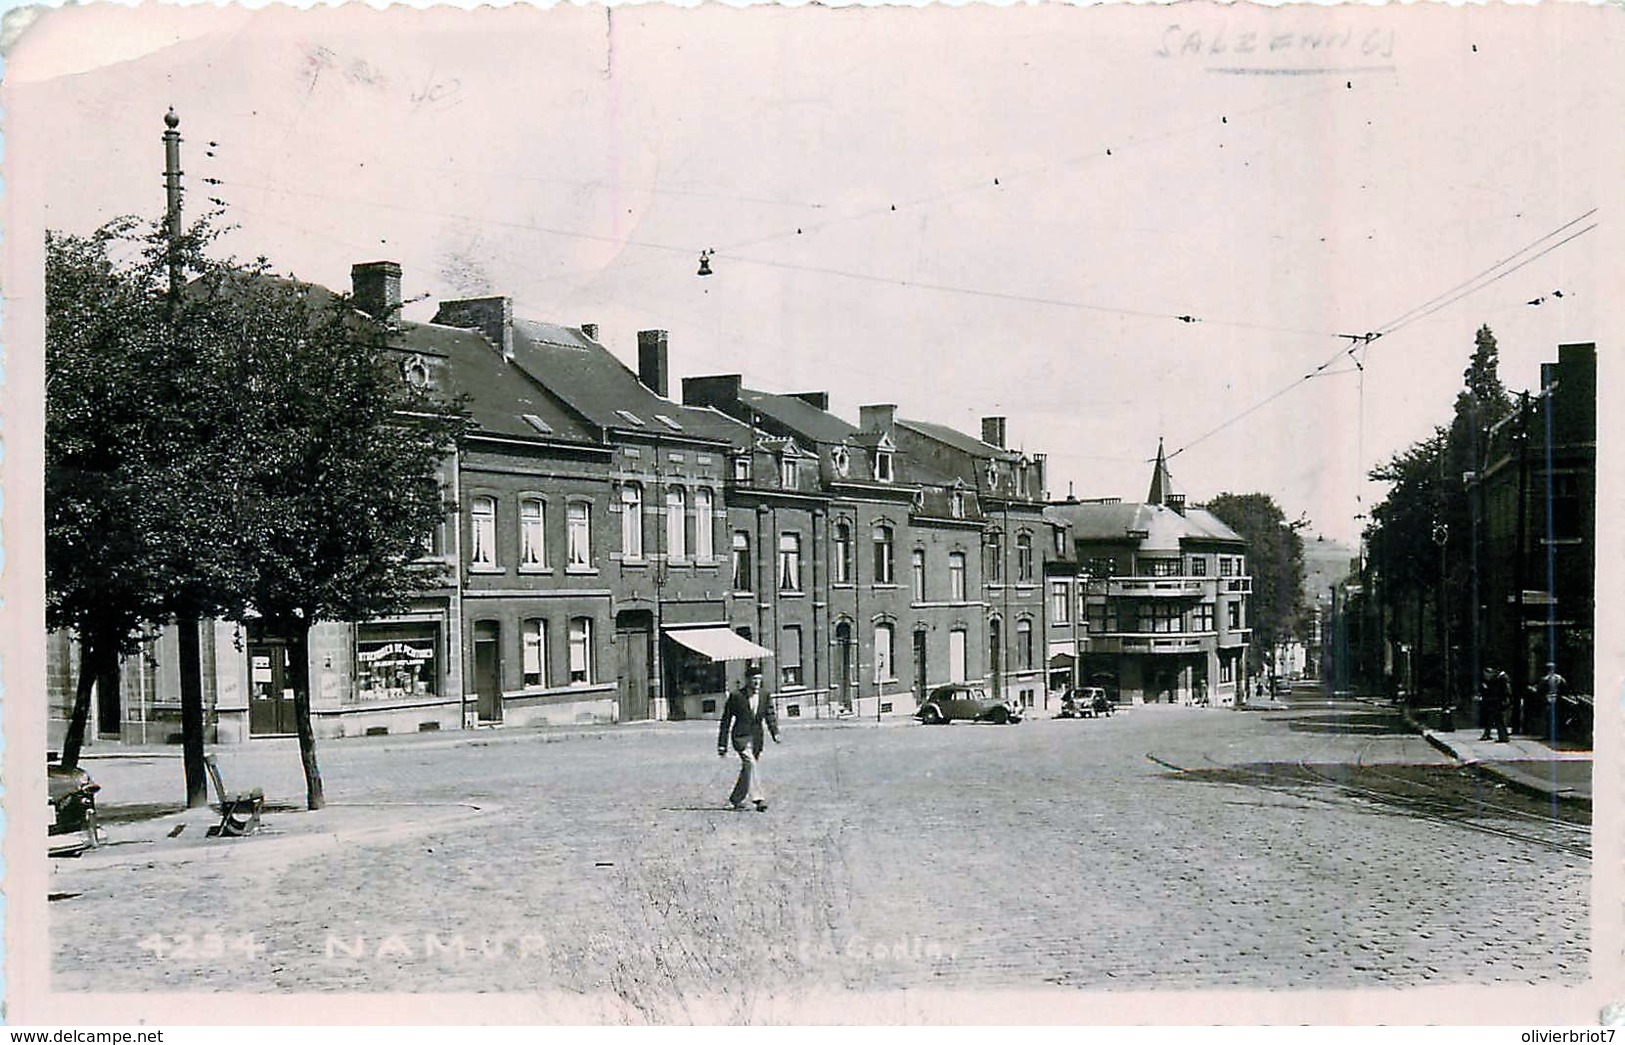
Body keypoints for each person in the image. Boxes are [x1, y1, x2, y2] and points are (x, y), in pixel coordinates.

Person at [718, 665, 780, 811]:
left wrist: (775, 732)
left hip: (757, 738)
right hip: (740, 737)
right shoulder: (736, 696)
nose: (757, 682)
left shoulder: (765, 695)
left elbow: (770, 715)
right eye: (754, 679)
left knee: (748, 768)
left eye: (759, 679)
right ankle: (759, 799)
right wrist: (722, 745)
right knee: (750, 763)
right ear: (747, 680)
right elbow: (725, 721)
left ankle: (735, 799)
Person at [1480, 665, 1511, 743]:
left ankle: (1503, 737)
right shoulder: (1500, 677)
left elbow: (1505, 690)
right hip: (1498, 700)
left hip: (1499, 700)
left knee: (1499, 719)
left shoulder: (1502, 678)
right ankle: (1502, 736)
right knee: (1498, 719)